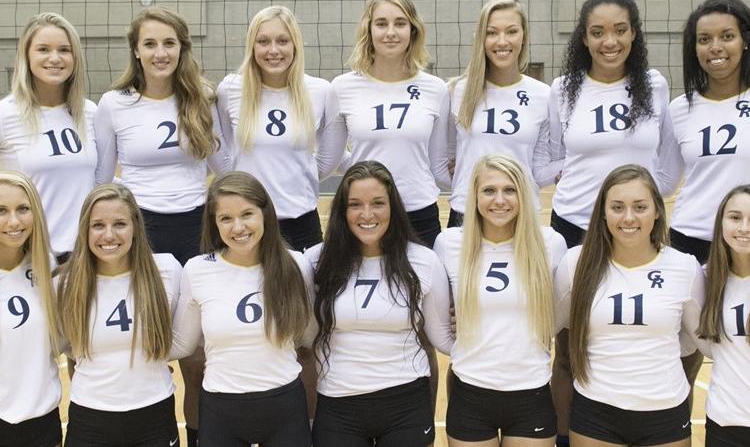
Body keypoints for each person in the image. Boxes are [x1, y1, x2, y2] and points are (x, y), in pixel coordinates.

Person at [94, 6, 231, 445]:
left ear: (182, 48)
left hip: (195, 230)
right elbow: (100, 178)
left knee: (196, 357)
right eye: (150, 43)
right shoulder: (114, 105)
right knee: (140, 346)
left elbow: (223, 167)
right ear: (135, 50)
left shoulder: (201, 98)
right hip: (140, 233)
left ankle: (197, 435)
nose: (160, 52)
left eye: (169, 43)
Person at [546, 0, 676, 446]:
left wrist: (643, 205)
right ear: (583, 38)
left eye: (620, 30)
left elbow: (669, 159)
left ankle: (648, 422)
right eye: (598, 32)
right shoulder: (563, 89)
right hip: (576, 225)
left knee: (635, 332)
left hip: (632, 231)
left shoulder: (654, 85)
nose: (609, 41)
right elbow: (548, 159)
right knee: (569, 345)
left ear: (634, 34)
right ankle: (567, 435)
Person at [306, 160, 452, 447]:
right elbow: (303, 339)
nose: (367, 214)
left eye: (378, 203)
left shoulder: (423, 261)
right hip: (337, 403)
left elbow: (442, 340)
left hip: (406, 403)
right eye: (355, 204)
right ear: (342, 211)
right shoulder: (315, 261)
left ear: (393, 208)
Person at [556, 165, 704, 447]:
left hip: (665, 411)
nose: (628, 217)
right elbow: (550, 323)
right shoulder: (576, 263)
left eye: (640, 207)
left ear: (657, 210)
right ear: (603, 211)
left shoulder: (684, 267)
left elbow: (699, 340)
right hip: (595, 411)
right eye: (617, 207)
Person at [170, 171, 313, 447]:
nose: (238, 227)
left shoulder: (296, 265)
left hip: (285, 406)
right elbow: (181, 345)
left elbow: (308, 336)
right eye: (226, 218)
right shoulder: (197, 269)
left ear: (265, 215)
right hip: (221, 411)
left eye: (247, 214)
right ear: (214, 223)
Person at [433, 155, 566, 446]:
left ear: (523, 195)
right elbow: (440, 323)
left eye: (510, 190)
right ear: (475, 195)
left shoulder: (550, 244)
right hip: (471, 393)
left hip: (531, 393)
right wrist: (467, 345)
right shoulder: (450, 244)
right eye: (489, 190)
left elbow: (558, 317)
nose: (499, 200)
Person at [319, 0, 451, 248]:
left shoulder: (436, 88)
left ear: (413, 30)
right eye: (381, 23)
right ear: (368, 30)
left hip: (419, 210)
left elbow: (437, 166)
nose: (390, 32)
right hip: (363, 213)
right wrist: (368, 170)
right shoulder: (342, 87)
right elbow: (328, 161)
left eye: (400, 23)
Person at [58, 184, 182, 446]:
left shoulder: (167, 271)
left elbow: (180, 340)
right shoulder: (65, 283)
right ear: (84, 230)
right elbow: (65, 344)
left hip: (154, 411)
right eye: (98, 225)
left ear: (135, 226)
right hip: (90, 415)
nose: (109, 235)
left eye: (120, 224)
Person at [217, 5, 330, 252]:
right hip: (245, 226)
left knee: (307, 291)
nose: (273, 50)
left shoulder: (320, 91)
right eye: (263, 41)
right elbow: (226, 153)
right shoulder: (230, 89)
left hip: (300, 223)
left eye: (282, 41)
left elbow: (328, 158)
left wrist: (300, 174)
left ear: (295, 45)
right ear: (252, 46)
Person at [447, 0, 556, 227]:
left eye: (512, 31)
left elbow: (539, 169)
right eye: (492, 32)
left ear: (524, 35)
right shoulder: (457, 91)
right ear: (481, 39)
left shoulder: (544, 95)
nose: (502, 41)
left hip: (521, 214)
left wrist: (577, 163)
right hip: (467, 212)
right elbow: (444, 160)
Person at [0, 12, 96, 263]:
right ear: (26, 56)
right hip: (30, 257)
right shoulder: (6, 114)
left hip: (83, 258)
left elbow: (100, 180)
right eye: (43, 49)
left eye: (64, 50)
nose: (55, 58)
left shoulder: (90, 113)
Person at [667, 0, 750, 265]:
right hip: (690, 239)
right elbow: (664, 179)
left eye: (727, 36)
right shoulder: (679, 109)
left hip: (745, 238)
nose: (715, 47)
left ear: (745, 41)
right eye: (704, 39)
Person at [0, 171, 61, 447]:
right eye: (2, 210)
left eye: (23, 209)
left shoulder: (45, 265)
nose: (14, 221)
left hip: (42, 422)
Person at [695, 185, 750, 446]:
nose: (744, 228)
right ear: (721, 222)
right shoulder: (706, 278)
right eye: (735, 217)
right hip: (725, 422)